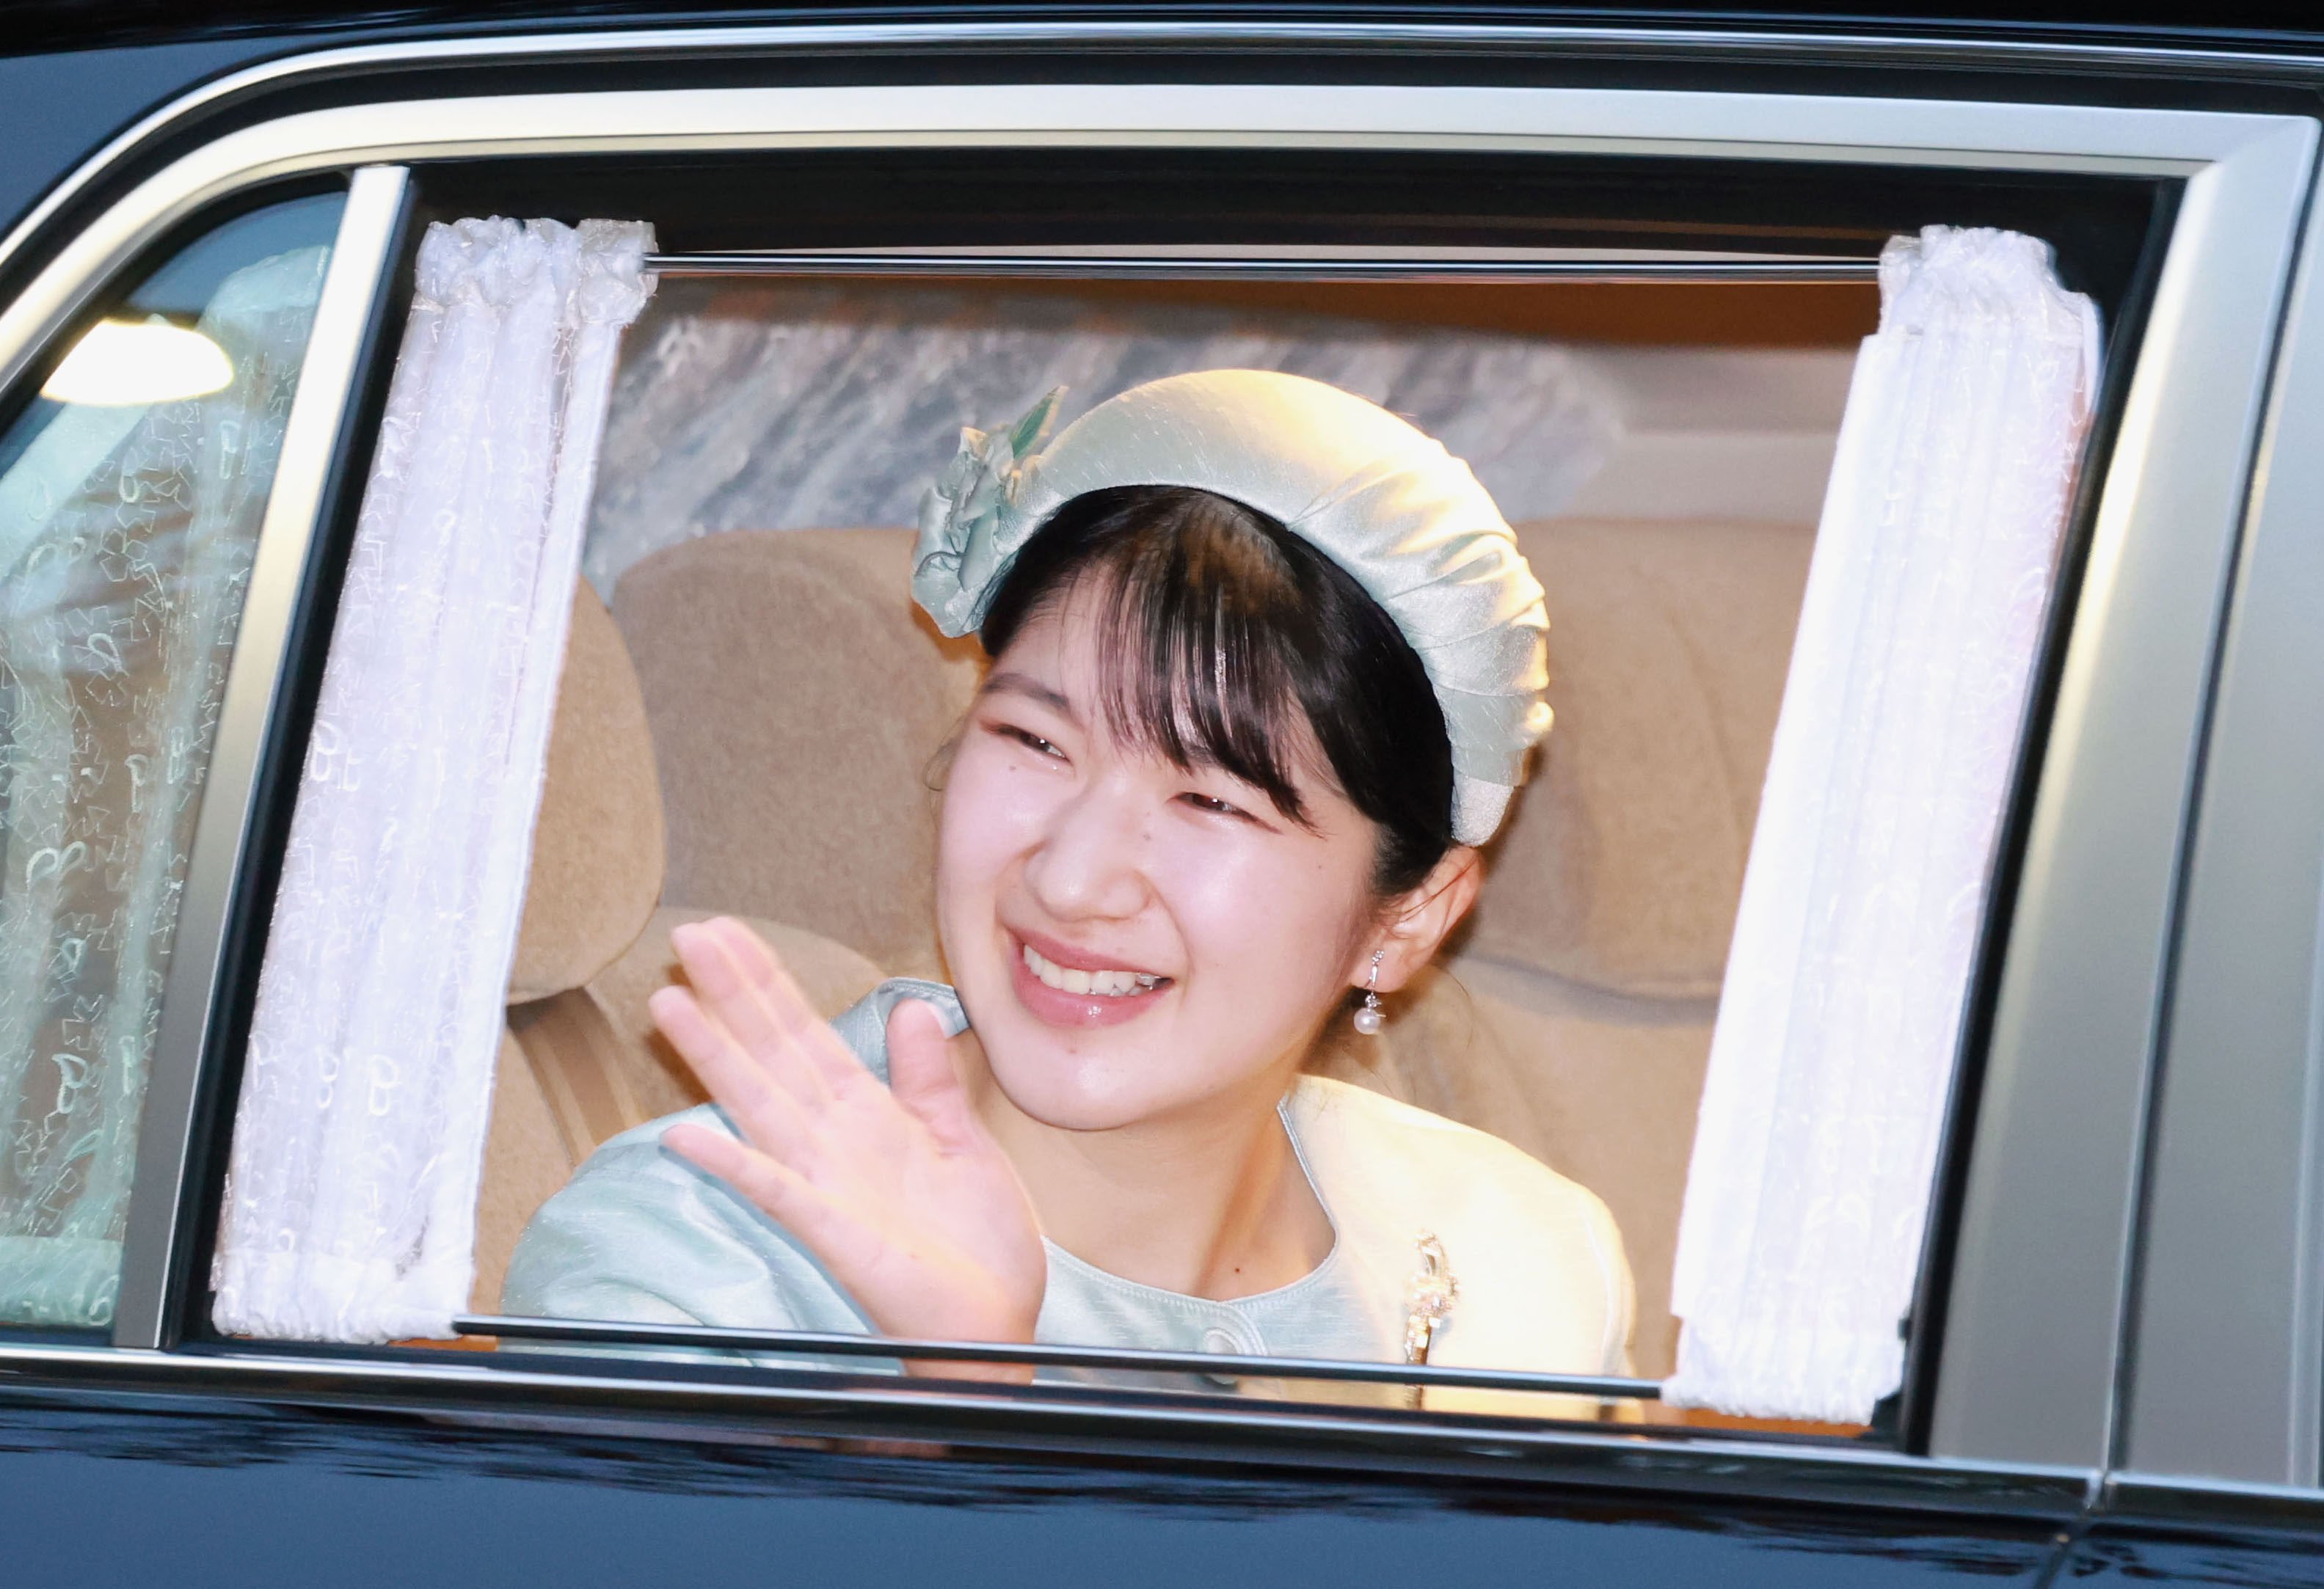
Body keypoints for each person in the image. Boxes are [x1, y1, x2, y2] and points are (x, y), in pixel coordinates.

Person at [504, 370, 1634, 1411]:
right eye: (1037, 741)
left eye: (1212, 799)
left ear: (1407, 916)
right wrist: (956, 1400)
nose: (1072, 877)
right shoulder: (687, 1268)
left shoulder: (1530, 1274)